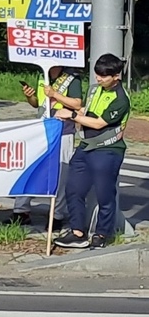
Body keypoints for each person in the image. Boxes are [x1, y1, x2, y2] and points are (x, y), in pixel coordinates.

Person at [55, 54, 129, 250]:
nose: (99, 79)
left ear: (116, 76)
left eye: (104, 76)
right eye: (97, 75)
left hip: (108, 150)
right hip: (85, 147)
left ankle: (102, 233)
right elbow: (86, 113)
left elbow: (99, 123)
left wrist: (71, 115)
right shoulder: (95, 89)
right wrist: (71, 115)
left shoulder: (121, 98)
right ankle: (77, 232)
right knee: (73, 189)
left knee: (105, 194)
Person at [8, 66, 82, 228]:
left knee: (61, 173)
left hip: (63, 131)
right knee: (31, 168)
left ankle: (56, 215)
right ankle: (21, 211)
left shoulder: (71, 79)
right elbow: (37, 104)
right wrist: (30, 97)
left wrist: (55, 94)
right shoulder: (43, 76)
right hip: (41, 130)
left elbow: (77, 104)